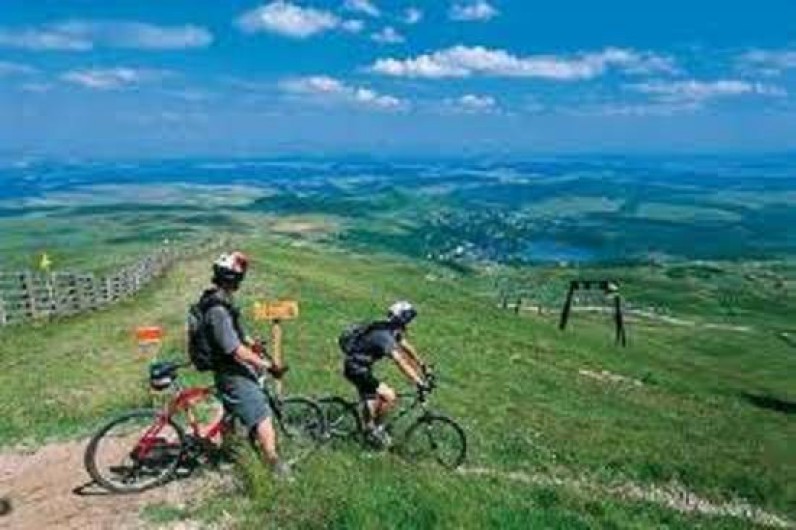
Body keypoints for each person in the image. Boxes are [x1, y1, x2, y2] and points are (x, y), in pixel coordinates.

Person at [195, 251, 289, 475]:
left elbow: (237, 335)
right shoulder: (217, 309)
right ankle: (275, 465)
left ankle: (226, 453)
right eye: (239, 277)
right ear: (232, 279)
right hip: (230, 370)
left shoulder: (220, 300)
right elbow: (234, 349)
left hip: (226, 367)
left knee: (231, 412)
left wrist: (251, 342)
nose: (240, 281)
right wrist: (268, 365)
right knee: (261, 413)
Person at [341, 300, 429, 446]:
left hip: (360, 367)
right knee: (389, 396)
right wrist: (418, 381)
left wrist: (423, 365)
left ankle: (368, 430)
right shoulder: (384, 336)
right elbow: (400, 361)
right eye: (407, 318)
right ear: (401, 318)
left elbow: (406, 347)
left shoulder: (390, 329)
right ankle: (375, 431)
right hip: (356, 369)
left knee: (372, 398)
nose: (409, 322)